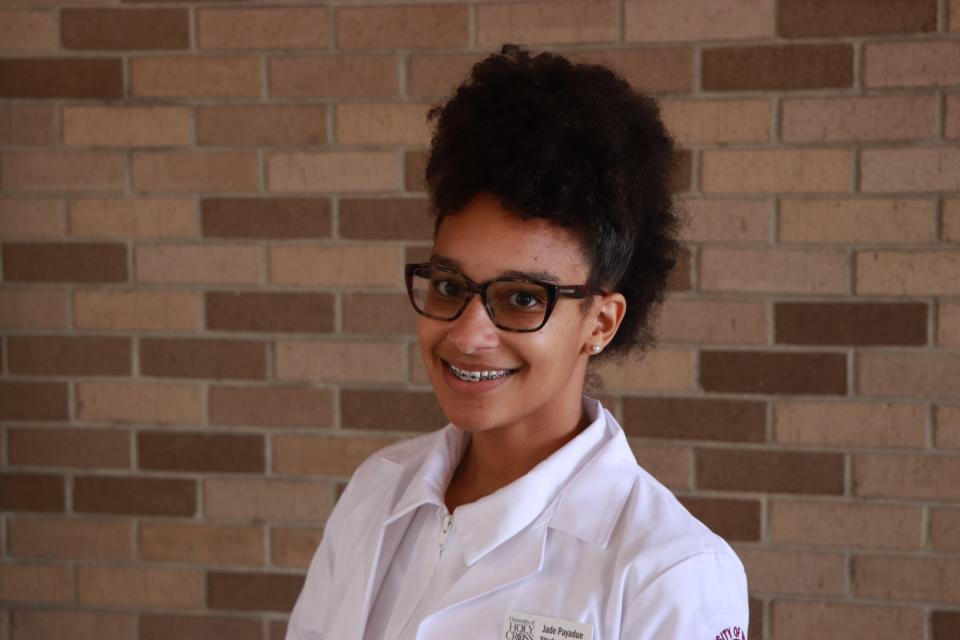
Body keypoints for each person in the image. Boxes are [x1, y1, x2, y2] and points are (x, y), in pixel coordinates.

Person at [286, 44, 749, 640]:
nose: (469, 333)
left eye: (523, 298)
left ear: (600, 323)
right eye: (451, 285)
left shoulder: (671, 572)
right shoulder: (378, 491)